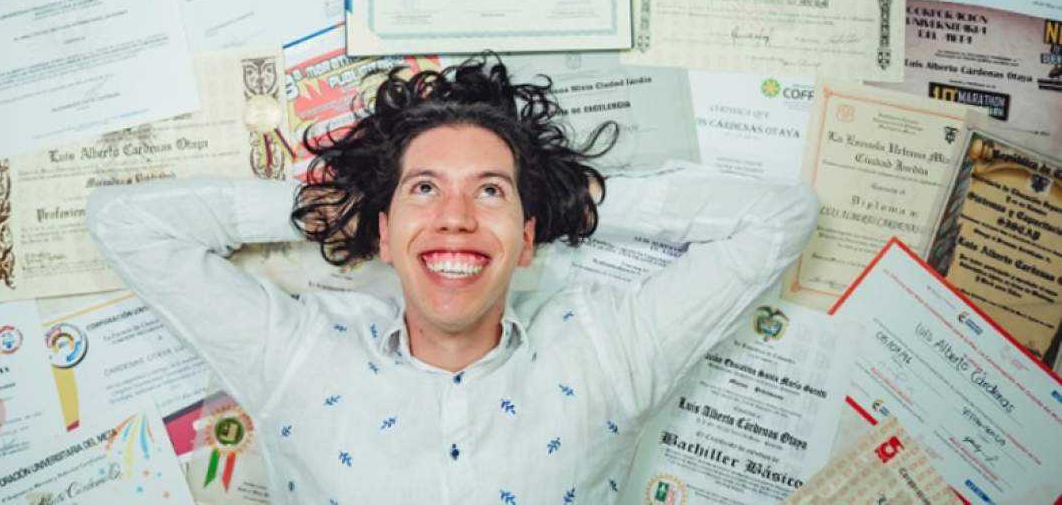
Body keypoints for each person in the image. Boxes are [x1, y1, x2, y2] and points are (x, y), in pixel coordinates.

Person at [87, 55, 818, 503]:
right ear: (381, 234)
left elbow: (779, 218)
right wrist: (335, 207)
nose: (458, 218)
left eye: (491, 191)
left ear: (528, 239)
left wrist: (568, 199)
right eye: (425, 189)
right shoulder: (296, 357)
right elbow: (125, 224)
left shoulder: (608, 354)